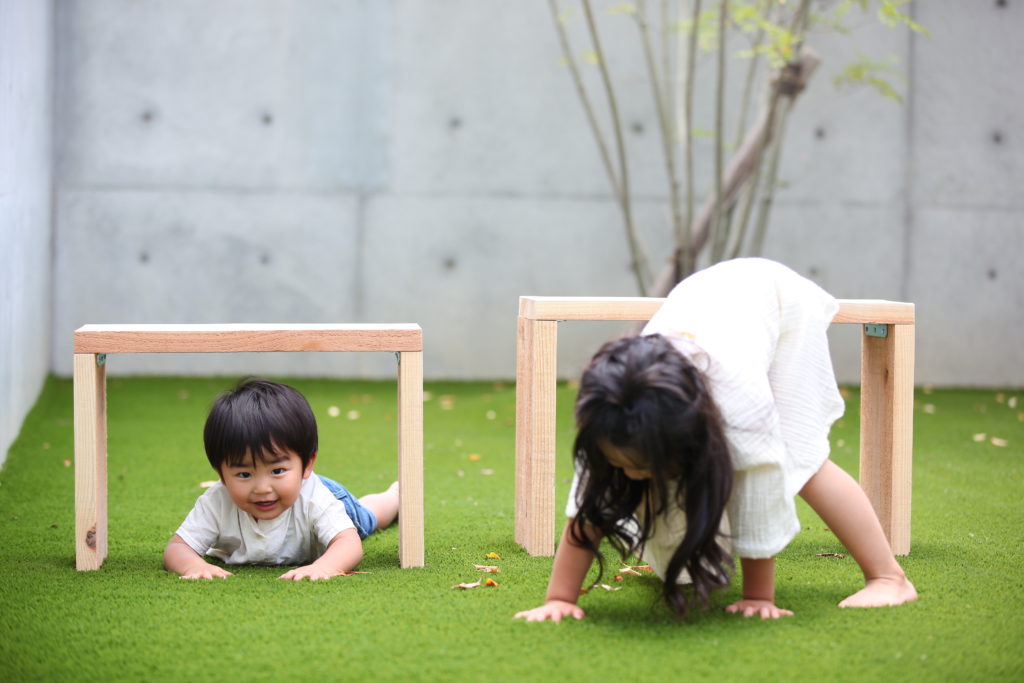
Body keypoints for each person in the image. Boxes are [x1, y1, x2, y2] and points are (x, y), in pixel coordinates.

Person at [514, 258, 917, 622]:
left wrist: (759, 596)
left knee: (800, 457)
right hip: (707, 298)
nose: (628, 475)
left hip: (778, 301)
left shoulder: (740, 411)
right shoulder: (611, 411)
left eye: (639, 465)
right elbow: (588, 507)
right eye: (619, 462)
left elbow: (760, 487)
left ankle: (888, 577)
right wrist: (560, 598)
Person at [163, 378, 399, 580]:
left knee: (368, 517)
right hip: (294, 487)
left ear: (307, 464)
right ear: (221, 475)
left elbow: (348, 543)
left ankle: (394, 496)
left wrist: (325, 566)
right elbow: (177, 547)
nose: (263, 488)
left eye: (277, 471)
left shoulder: (316, 499)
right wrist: (194, 565)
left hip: (322, 495)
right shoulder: (217, 501)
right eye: (244, 474)